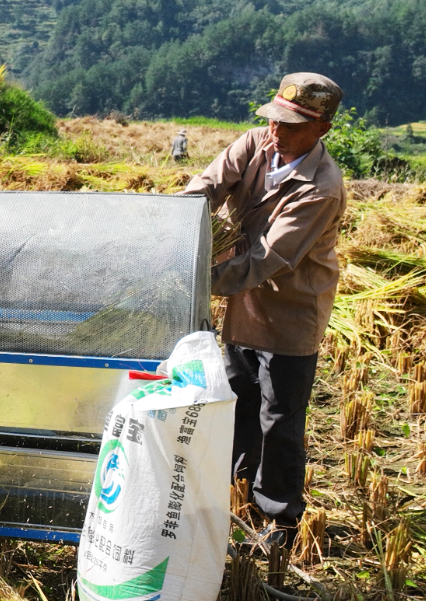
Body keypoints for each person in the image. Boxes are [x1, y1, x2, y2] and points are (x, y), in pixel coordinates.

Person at [182, 73, 346, 545]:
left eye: (291, 126)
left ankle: (280, 516)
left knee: (279, 418)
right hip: (241, 303)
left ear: (321, 129)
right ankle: (235, 494)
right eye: (275, 120)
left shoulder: (321, 187)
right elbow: (208, 185)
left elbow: (266, 260)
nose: (277, 132)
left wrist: (193, 280)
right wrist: (174, 231)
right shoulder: (255, 142)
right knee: (237, 402)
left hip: (291, 311)